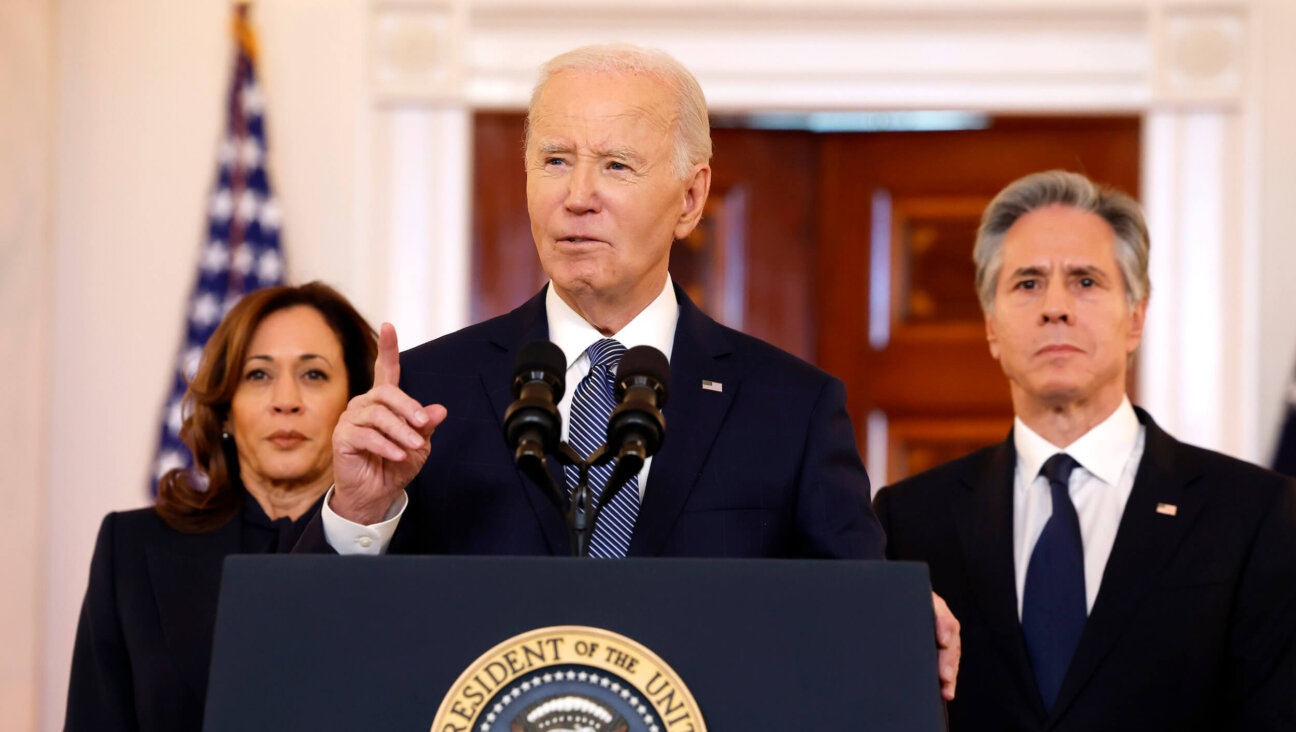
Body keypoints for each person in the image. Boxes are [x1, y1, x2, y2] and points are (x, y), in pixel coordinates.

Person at [300, 43, 959, 698]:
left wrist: (895, 625)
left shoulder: (791, 408)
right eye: (555, 160)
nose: (577, 196)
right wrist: (359, 513)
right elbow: (314, 655)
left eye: (616, 165)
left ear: (691, 198)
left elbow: (857, 637)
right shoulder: (424, 394)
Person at [873, 170, 1296, 731]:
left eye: (1085, 281)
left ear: (1136, 318)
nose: (1055, 307)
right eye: (1027, 283)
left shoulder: (1257, 512)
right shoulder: (909, 518)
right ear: (992, 327)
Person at [65, 282, 378, 732]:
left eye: (313, 375)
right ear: (227, 410)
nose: (285, 401)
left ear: (354, 402)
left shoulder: (402, 548)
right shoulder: (130, 548)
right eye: (258, 375)